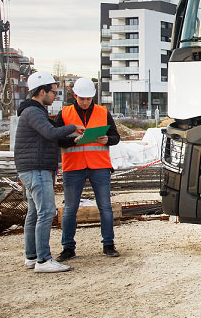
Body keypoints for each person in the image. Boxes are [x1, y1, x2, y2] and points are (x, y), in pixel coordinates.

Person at [14, 71, 81, 273]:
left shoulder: (35, 111)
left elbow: (50, 137)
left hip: (33, 168)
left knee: (34, 213)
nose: (55, 96)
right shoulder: (33, 112)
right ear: (41, 91)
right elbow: (51, 132)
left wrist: (71, 140)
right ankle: (43, 260)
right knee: (46, 212)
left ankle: (32, 256)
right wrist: (73, 127)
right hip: (37, 169)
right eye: (53, 92)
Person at [54, 77, 121, 260]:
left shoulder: (102, 112)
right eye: (82, 98)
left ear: (93, 97)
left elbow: (115, 136)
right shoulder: (65, 113)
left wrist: (108, 140)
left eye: (88, 99)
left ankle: (109, 244)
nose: (85, 102)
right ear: (75, 95)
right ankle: (68, 247)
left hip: (99, 165)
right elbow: (56, 139)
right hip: (73, 166)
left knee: (105, 207)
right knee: (70, 209)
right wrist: (72, 140)